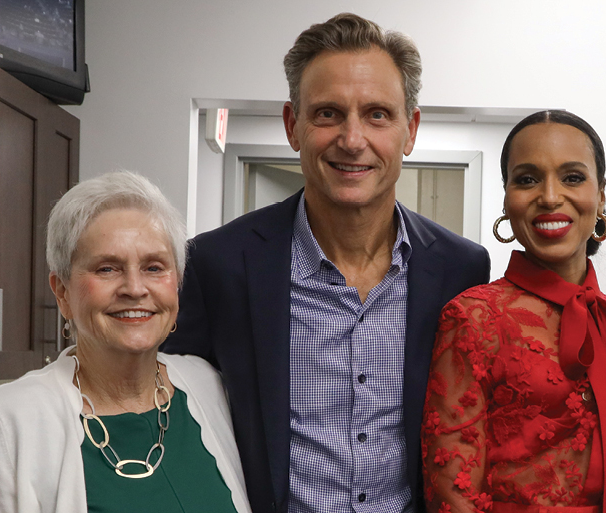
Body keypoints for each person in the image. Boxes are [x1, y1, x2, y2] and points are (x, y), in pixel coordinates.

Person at [160, 13, 491, 513]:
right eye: (328, 114)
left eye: (378, 114)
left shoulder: (460, 271)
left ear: (410, 130)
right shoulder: (218, 265)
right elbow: (166, 414)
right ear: (293, 126)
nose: (353, 139)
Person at [422, 110, 606, 513]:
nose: (550, 196)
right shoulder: (473, 318)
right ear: (506, 199)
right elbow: (452, 491)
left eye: (572, 177)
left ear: (600, 196)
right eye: (527, 179)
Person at [0, 172, 250, 513]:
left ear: (176, 286)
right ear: (62, 292)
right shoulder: (7, 422)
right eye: (107, 269)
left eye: (154, 267)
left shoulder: (209, 386)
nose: (135, 288)